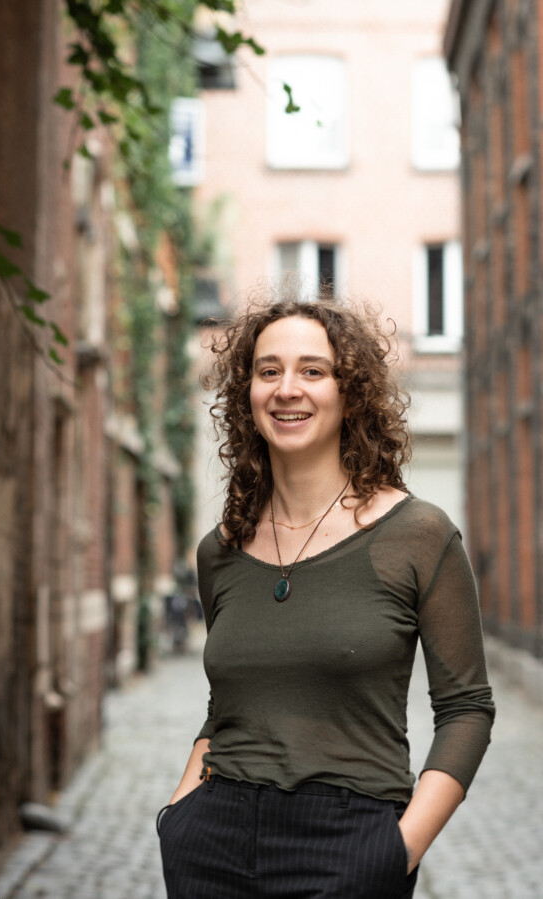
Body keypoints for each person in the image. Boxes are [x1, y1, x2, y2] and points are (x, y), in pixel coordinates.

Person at [157, 295, 495, 899]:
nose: (287, 389)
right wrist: (179, 814)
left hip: (350, 845)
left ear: (350, 393)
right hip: (214, 843)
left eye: (313, 370)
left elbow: (467, 708)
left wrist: (397, 850)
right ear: (247, 393)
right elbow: (226, 704)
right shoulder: (220, 550)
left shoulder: (418, 534)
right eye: (269, 371)